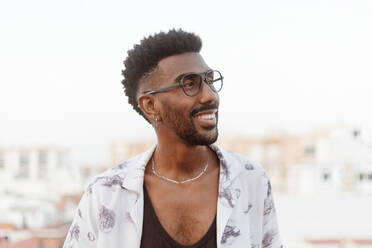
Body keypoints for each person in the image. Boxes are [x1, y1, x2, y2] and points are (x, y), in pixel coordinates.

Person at [63, 29, 283, 248]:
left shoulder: (251, 180)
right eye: (189, 84)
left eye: (209, 80)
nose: (210, 95)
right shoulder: (106, 194)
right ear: (150, 106)